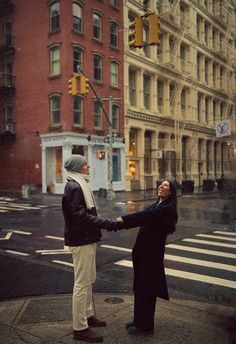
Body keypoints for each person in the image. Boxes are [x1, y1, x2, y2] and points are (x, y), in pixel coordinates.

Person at [62, 154, 123, 343]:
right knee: (81, 284)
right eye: (85, 164)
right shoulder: (74, 186)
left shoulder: (79, 184)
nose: (88, 166)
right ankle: (79, 328)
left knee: (88, 280)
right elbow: (81, 216)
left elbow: (83, 214)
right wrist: (107, 223)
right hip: (81, 241)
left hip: (86, 238)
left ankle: (88, 316)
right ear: (78, 167)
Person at [115, 180, 178, 336]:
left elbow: (143, 216)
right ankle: (138, 320)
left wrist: (122, 221)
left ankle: (146, 326)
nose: (161, 187)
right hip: (144, 252)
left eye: (165, 186)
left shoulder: (166, 208)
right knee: (140, 286)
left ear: (170, 192)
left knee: (147, 288)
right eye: (161, 185)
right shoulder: (157, 204)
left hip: (152, 254)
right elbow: (144, 217)